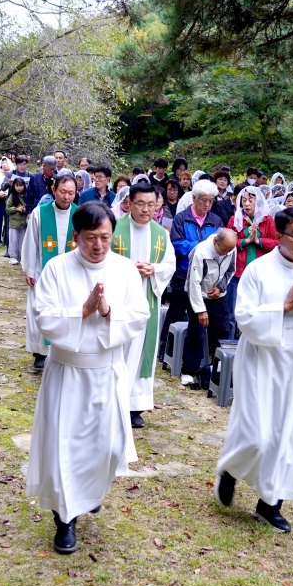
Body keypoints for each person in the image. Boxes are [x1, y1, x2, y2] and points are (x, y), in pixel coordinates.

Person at [26, 202, 150, 554]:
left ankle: (90, 491)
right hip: (68, 371)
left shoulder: (124, 270)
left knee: (109, 446)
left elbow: (140, 314)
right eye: (91, 238)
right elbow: (43, 316)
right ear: (76, 236)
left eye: (105, 238)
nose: (98, 246)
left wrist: (109, 311)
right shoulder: (57, 268)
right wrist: (81, 311)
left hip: (108, 369)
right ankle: (65, 519)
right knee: (66, 446)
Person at [214, 206, 293, 533]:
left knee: (288, 433)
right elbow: (243, 317)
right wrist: (284, 307)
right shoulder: (259, 270)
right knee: (257, 432)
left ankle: (270, 504)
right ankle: (230, 470)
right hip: (260, 356)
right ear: (281, 235)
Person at [113, 183, 175, 428]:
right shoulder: (115, 227)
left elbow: (170, 264)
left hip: (148, 297)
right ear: (130, 202)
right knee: (120, 348)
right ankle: (113, 399)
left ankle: (135, 406)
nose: (146, 209)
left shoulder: (161, 234)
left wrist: (154, 269)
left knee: (141, 352)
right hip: (120, 299)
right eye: (141, 203)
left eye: (151, 204)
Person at [160, 179, 223, 361]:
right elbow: (177, 243)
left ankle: (199, 355)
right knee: (176, 313)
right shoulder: (181, 218)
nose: (207, 204)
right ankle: (165, 348)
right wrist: (202, 248)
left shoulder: (216, 220)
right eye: (204, 200)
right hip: (184, 273)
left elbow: (219, 246)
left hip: (206, 277)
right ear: (194, 198)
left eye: (211, 201)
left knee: (201, 318)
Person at [22, 175, 78, 368]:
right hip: (42, 269)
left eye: (71, 193)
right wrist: (29, 269)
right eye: (63, 192)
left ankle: (63, 348)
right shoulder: (40, 213)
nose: (66, 197)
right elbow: (31, 243)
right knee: (42, 308)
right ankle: (40, 352)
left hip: (71, 272)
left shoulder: (79, 215)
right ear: (54, 190)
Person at [181, 228, 237, 387]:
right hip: (197, 294)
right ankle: (188, 371)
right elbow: (193, 283)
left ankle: (219, 370)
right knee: (196, 333)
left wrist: (220, 287)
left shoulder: (231, 249)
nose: (227, 252)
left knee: (222, 331)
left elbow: (231, 271)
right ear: (215, 242)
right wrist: (201, 310)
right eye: (224, 249)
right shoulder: (201, 252)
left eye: (230, 250)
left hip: (217, 295)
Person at [225, 186, 278, 337]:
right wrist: (245, 241)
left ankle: (251, 345)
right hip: (237, 272)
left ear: (258, 201)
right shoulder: (235, 219)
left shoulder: (267, 219)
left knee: (255, 312)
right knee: (232, 312)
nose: (247, 203)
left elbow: (276, 243)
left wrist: (258, 240)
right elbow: (226, 243)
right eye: (244, 200)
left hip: (259, 274)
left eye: (251, 199)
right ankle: (228, 347)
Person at [5, 177, 30, 265]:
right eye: (17, 185)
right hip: (14, 222)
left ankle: (22, 257)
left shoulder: (27, 196)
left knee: (23, 240)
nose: (19, 188)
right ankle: (13, 257)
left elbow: (29, 207)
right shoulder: (12, 196)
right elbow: (7, 209)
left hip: (23, 222)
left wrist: (24, 210)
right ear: (14, 186)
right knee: (13, 240)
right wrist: (16, 209)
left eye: (21, 185)